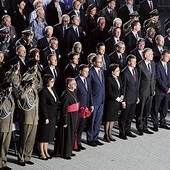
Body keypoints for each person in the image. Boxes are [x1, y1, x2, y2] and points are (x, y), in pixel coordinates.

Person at [54, 78, 79, 160]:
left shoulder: (73, 92)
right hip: (68, 117)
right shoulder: (66, 94)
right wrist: (64, 121)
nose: (75, 84)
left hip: (73, 116)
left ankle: (69, 150)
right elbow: (64, 109)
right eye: (73, 83)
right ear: (69, 85)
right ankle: (65, 153)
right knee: (67, 135)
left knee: (71, 134)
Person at [17, 77, 39, 166]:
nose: (35, 85)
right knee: (24, 139)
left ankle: (27, 156)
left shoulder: (35, 92)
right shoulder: (23, 91)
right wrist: (27, 88)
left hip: (34, 119)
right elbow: (21, 97)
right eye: (33, 83)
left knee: (31, 140)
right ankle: (21, 157)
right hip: (27, 118)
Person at [37, 74, 59, 160]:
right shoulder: (43, 91)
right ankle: (41, 152)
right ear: (47, 82)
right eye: (51, 81)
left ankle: (46, 151)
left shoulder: (52, 89)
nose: (53, 83)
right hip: (46, 116)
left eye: (53, 81)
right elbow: (42, 106)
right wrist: (45, 117)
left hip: (52, 116)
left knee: (47, 135)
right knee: (42, 135)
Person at [119, 55, 139, 140]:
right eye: (133, 61)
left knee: (130, 116)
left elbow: (137, 84)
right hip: (127, 98)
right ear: (129, 62)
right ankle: (122, 132)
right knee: (124, 116)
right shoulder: (124, 72)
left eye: (135, 61)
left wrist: (137, 96)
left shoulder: (135, 70)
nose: (135, 63)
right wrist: (123, 100)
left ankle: (128, 130)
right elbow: (123, 87)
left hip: (134, 97)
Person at [136, 48, 156, 135]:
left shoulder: (152, 63)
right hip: (143, 91)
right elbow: (138, 81)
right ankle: (139, 127)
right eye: (151, 54)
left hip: (151, 91)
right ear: (146, 55)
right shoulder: (140, 65)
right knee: (141, 110)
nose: (153, 55)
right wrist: (137, 94)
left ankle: (145, 126)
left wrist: (153, 89)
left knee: (147, 110)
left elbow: (154, 78)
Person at [87, 56, 105, 146]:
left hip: (101, 100)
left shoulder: (101, 71)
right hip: (94, 101)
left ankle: (95, 137)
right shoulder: (90, 72)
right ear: (94, 62)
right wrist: (91, 103)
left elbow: (102, 86)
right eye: (98, 62)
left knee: (98, 120)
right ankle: (90, 138)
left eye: (101, 62)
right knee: (92, 120)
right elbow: (89, 89)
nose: (100, 64)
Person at [75, 64, 94, 150]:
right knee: (77, 126)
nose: (87, 73)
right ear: (80, 71)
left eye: (88, 71)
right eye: (85, 71)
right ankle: (74, 144)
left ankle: (78, 142)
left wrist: (91, 104)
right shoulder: (76, 81)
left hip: (86, 107)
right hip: (79, 108)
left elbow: (90, 93)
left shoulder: (88, 80)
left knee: (82, 126)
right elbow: (75, 96)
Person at [151, 50, 170, 131]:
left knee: (165, 107)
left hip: (168, 91)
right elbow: (158, 79)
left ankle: (162, 122)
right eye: (167, 56)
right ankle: (155, 123)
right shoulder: (157, 65)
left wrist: (169, 88)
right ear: (162, 56)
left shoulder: (169, 65)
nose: (168, 58)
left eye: (169, 57)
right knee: (156, 107)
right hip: (160, 90)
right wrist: (165, 88)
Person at [104, 64, 123, 142]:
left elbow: (121, 88)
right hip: (111, 102)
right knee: (108, 119)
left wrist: (122, 96)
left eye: (119, 70)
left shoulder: (118, 78)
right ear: (112, 72)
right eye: (117, 71)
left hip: (117, 102)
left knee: (113, 119)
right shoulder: (109, 79)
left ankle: (110, 133)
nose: (119, 72)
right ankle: (106, 135)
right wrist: (116, 98)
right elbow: (109, 91)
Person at [0, 82, 15, 170]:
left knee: (6, 145)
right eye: (9, 88)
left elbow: (13, 107)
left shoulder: (10, 97)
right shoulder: (2, 97)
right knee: (1, 144)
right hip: (2, 124)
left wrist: (8, 96)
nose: (10, 90)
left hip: (9, 124)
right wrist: (4, 98)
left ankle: (4, 163)